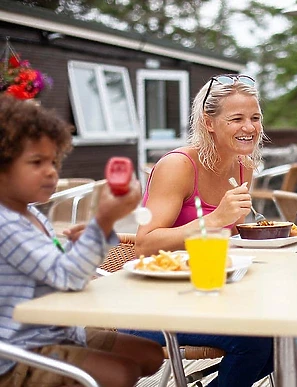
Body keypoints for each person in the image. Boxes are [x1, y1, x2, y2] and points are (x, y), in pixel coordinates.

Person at [0, 94, 164, 387]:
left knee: (150, 354)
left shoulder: (30, 215)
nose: (51, 171)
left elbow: (56, 270)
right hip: (18, 352)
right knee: (120, 374)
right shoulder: (5, 224)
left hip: (58, 331)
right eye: (36, 162)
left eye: (53, 160)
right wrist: (103, 222)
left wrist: (83, 244)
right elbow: (68, 278)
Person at [126, 74, 273, 387]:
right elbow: (144, 245)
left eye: (255, 118)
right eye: (237, 119)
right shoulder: (178, 166)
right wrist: (214, 219)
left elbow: (233, 237)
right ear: (209, 123)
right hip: (153, 304)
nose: (249, 127)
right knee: (258, 341)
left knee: (291, 328)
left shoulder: (243, 165)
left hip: (211, 293)